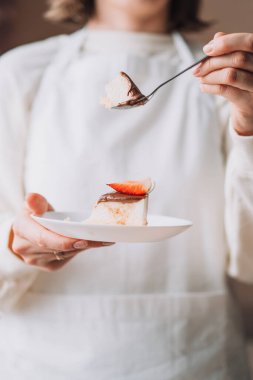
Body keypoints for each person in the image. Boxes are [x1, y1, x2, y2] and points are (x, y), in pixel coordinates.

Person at [0, 0, 253, 378]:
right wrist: (14, 245)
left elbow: (249, 258)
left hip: (196, 357)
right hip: (45, 359)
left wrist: (250, 125)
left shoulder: (226, 83)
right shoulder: (19, 73)